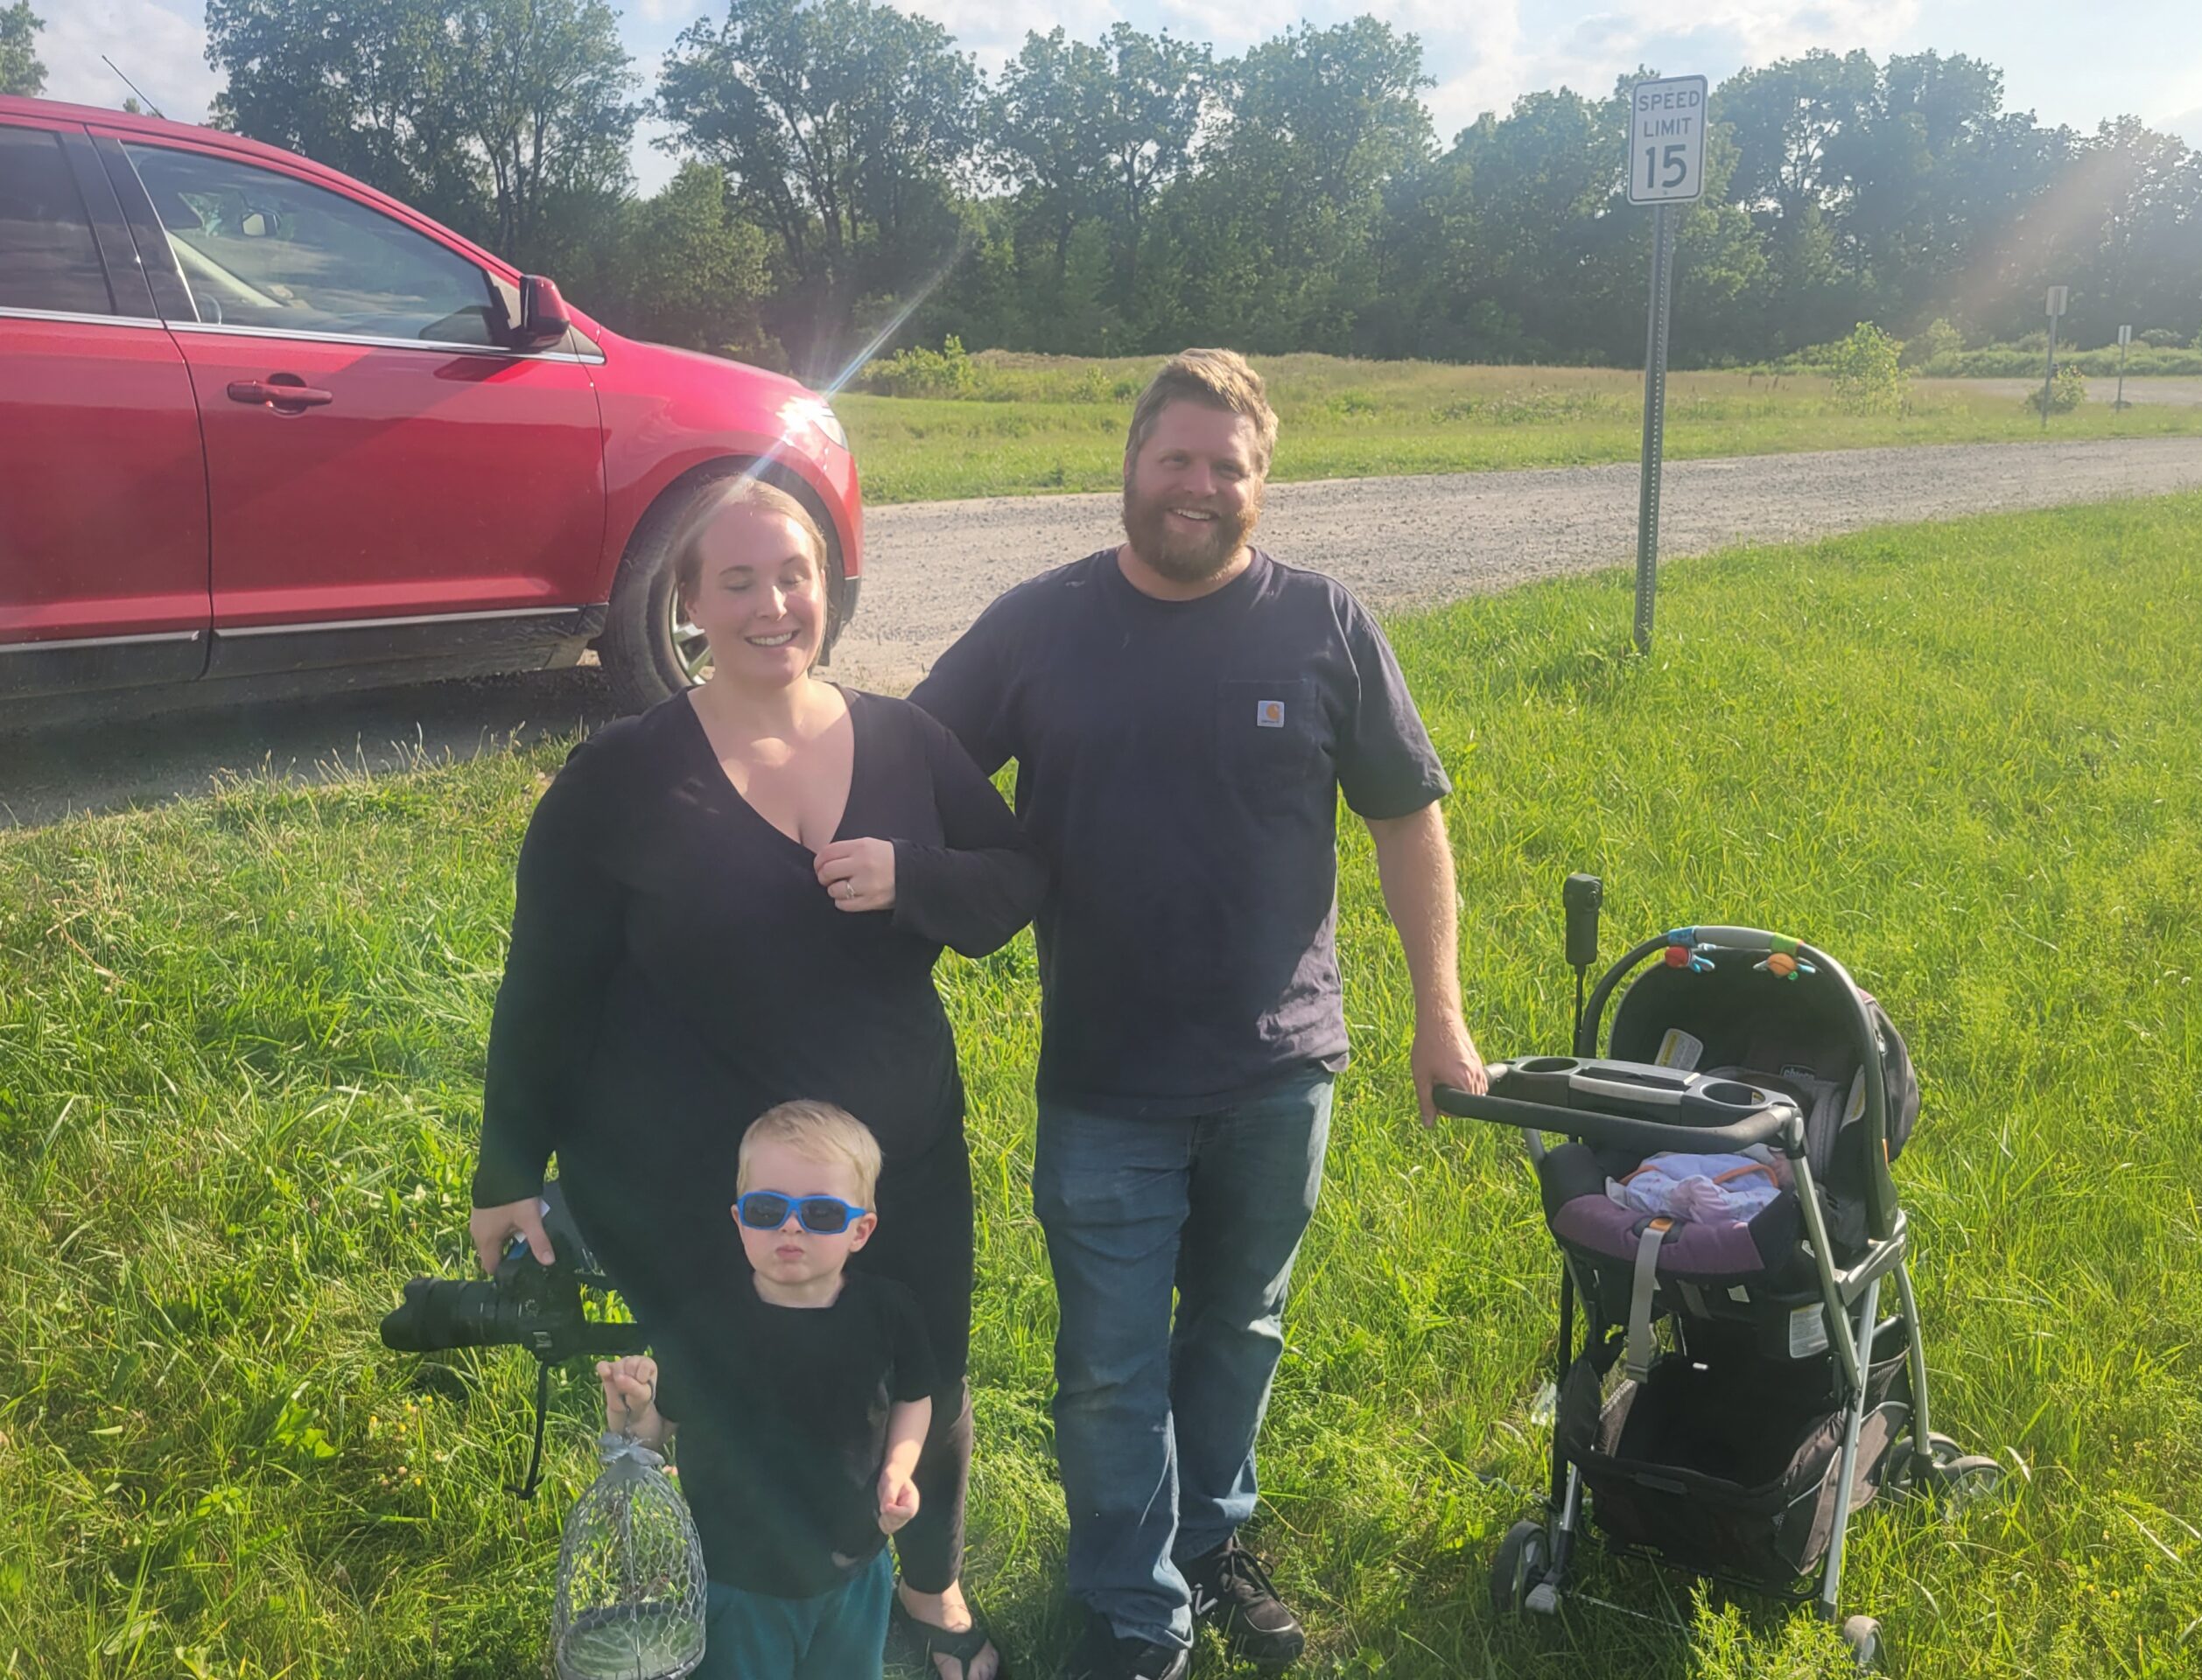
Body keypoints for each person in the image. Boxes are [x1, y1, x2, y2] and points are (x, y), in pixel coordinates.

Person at [912, 349, 1488, 1680]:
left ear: (1260, 484)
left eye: (1228, 466)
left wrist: (1440, 1018)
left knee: (1240, 1329)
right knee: (1110, 1368)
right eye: (1175, 457)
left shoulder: (1323, 623)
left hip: (1281, 1071)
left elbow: (1407, 818)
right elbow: (911, 760)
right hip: (1105, 1077)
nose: (1198, 485)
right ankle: (1132, 1607)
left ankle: (1209, 1542)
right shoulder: (1039, 625)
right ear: (1129, 465)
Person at [471, 476, 1041, 1680]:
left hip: (899, 1165)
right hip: (706, 1185)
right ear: (688, 603)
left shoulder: (905, 741)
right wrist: (507, 1169)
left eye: (794, 576)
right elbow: (545, 985)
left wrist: (914, 877)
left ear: (828, 589)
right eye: (737, 581)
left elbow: (1014, 881)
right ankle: (744, 1595)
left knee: (923, 1372)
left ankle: (928, 1588)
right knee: (737, 1389)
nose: (773, 605)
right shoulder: (621, 775)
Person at [596, 1100, 936, 1679]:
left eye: (822, 1213)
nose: (791, 1226)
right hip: (738, 1577)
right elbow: (655, 1437)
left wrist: (899, 1469)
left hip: (855, 1564)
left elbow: (915, 1396)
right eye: (767, 1209)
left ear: (860, 1230)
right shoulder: (706, 1324)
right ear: (739, 1220)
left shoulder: (888, 1314)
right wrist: (633, 1410)